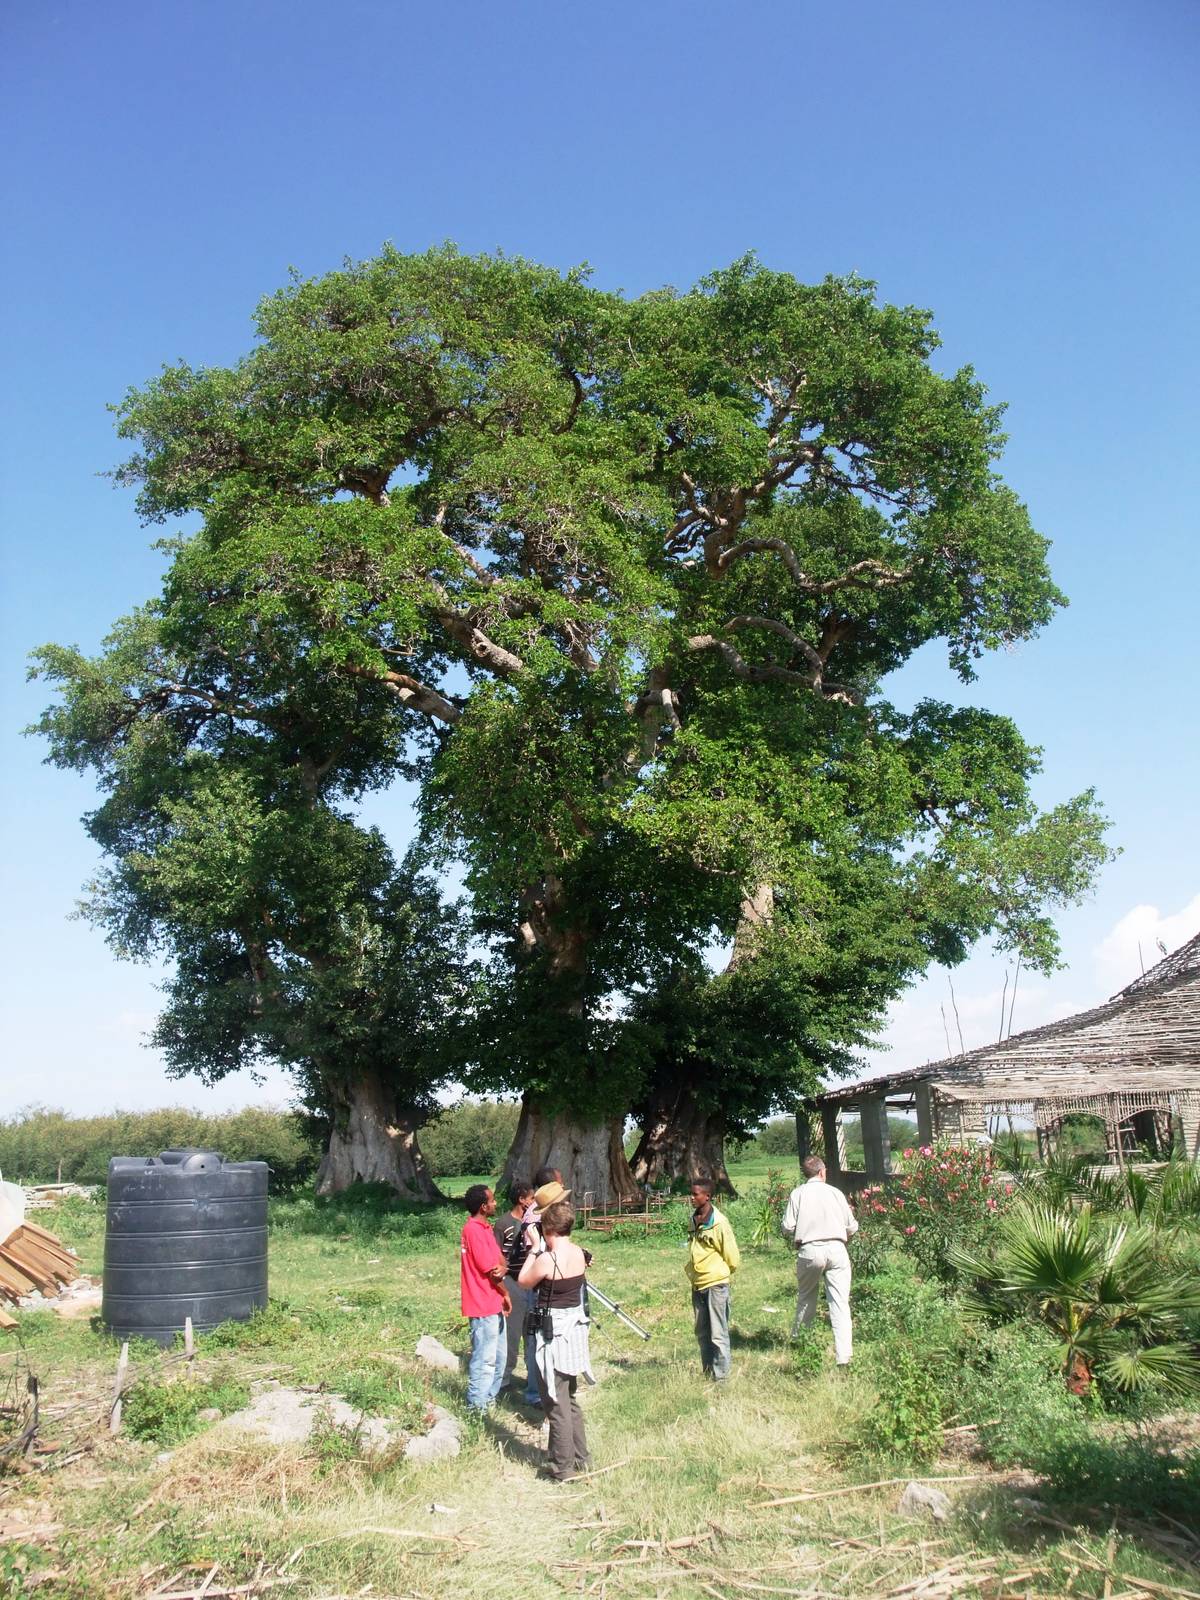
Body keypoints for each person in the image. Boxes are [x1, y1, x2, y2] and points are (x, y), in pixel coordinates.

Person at [518, 1198, 593, 1481]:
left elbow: (524, 1280)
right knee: (569, 1397)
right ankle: (580, 1457)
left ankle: (562, 1467)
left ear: (548, 1227)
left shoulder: (548, 1259)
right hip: (574, 1332)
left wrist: (535, 1248)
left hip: (554, 1336)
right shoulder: (579, 1254)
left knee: (554, 1401)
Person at [780, 1156, 859, 1367]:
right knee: (840, 1303)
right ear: (822, 1172)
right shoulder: (835, 1193)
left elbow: (787, 1226)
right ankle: (844, 1357)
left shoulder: (798, 1193)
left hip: (810, 1249)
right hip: (837, 1248)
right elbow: (852, 1227)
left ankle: (800, 1344)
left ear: (806, 1173)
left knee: (806, 1298)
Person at [460, 1183, 510, 1411]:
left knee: (500, 1357)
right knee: (484, 1359)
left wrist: (503, 1270)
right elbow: (491, 1270)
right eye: (492, 1200)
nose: (495, 1203)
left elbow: (502, 1263)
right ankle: (476, 1406)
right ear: (483, 1206)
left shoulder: (486, 1229)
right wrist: (506, 1293)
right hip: (482, 1304)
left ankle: (489, 1398)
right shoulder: (472, 1230)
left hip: (494, 1302)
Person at [686, 1178, 740, 1382]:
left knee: (718, 1333)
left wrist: (719, 1274)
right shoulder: (694, 1219)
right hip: (697, 1282)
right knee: (702, 1331)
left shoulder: (719, 1222)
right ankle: (708, 1371)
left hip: (715, 1283)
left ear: (707, 1196)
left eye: (695, 1194)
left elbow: (732, 1257)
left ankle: (722, 1378)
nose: (692, 1198)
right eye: (691, 1194)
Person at [493, 1178, 540, 1405]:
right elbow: (496, 1255)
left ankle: (534, 1380)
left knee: (531, 1334)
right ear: (522, 1200)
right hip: (513, 1282)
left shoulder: (535, 1221)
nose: (534, 1201)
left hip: (532, 1282)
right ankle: (503, 1379)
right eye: (531, 1198)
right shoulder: (504, 1224)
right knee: (511, 1334)